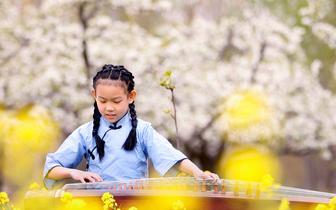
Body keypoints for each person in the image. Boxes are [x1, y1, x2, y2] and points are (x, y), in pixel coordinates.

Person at [44, 64, 218, 189]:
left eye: (116, 101)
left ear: (131, 96)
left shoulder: (142, 130)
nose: (109, 107)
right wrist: (75, 173)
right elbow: (52, 169)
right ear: (94, 95)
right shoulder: (85, 133)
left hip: (136, 209)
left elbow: (170, 156)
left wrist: (198, 173)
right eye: (102, 101)